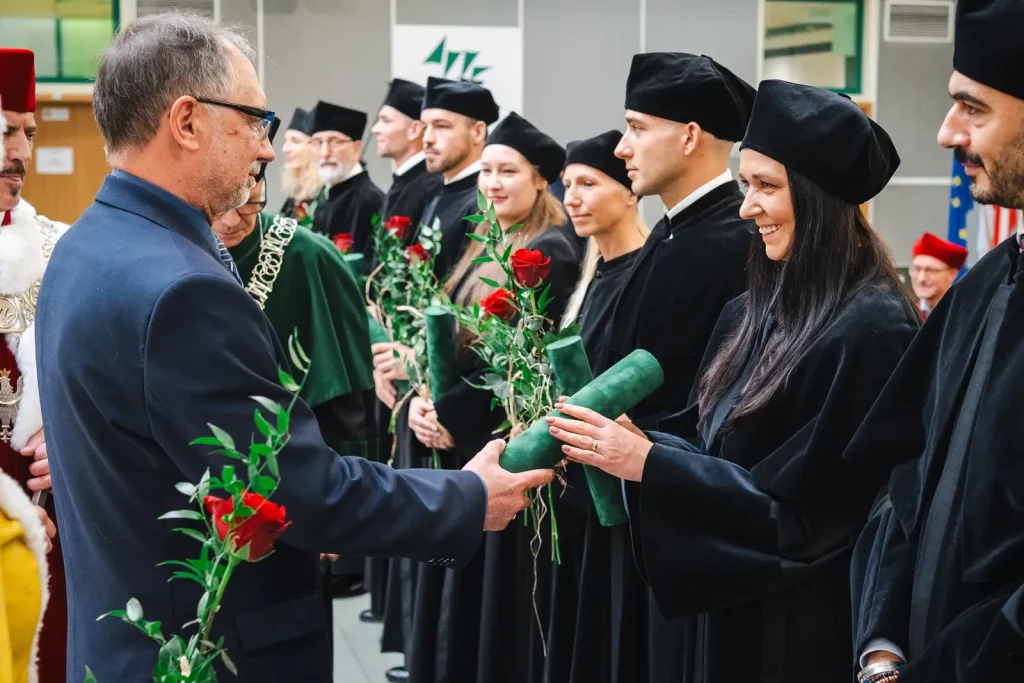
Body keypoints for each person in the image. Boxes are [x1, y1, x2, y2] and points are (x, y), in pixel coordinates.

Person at [35, 15, 553, 682]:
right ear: (187, 121)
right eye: (254, 119)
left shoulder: (83, 247)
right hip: (209, 653)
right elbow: (300, 491)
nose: (269, 149)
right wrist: (468, 496)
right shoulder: (184, 289)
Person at [548, 79, 919, 683]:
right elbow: (709, 434)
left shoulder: (872, 330)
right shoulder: (749, 310)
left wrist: (650, 463)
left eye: (766, 187)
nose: (747, 207)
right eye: (747, 185)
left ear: (821, 198)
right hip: (727, 611)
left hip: (797, 627)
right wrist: (620, 442)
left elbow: (819, 516)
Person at [850, 1, 1024, 680]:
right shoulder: (985, 285)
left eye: (972, 107)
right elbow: (905, 481)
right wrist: (883, 643)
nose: (947, 132)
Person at [570, 52, 757, 683]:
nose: (623, 148)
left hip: (675, 513)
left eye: (637, 127)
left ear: (690, 136)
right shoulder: (678, 234)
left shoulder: (730, 241)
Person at [400, 113, 580, 683]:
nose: (493, 183)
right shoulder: (492, 242)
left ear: (541, 181)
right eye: (488, 171)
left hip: (498, 442)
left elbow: (516, 362)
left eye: (508, 171)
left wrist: (447, 414)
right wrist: (422, 400)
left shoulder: (551, 249)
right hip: (463, 433)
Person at [545, 130, 649, 683]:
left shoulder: (645, 273)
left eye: (588, 182)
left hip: (617, 494)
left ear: (630, 189)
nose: (574, 198)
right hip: (576, 490)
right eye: (566, 186)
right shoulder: (592, 279)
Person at [0, 48, 67, 683]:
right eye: (4, 132)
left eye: (28, 133)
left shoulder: (61, 249)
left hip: (52, 525)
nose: (21, 153)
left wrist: (71, 442)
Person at [415, 76, 499, 278]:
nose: (427, 139)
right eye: (425, 127)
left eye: (441, 126)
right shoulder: (439, 190)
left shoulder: (484, 200)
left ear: (477, 132)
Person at [309, 100, 384, 257]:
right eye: (318, 143)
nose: (325, 153)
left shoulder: (369, 200)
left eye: (335, 142)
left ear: (357, 148)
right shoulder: (323, 195)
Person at [372, 78, 442, 236]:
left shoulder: (430, 186)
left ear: (414, 130)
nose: (375, 129)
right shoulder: (403, 181)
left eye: (385, 121)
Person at [278, 107, 324, 221]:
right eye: (286, 141)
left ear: (316, 146)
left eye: (295, 141)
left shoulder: (326, 195)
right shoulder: (297, 193)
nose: (285, 149)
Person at [910, 232, 967, 318]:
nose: (922, 278)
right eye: (917, 269)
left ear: (952, 274)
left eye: (930, 270)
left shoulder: (964, 316)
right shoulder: (907, 315)